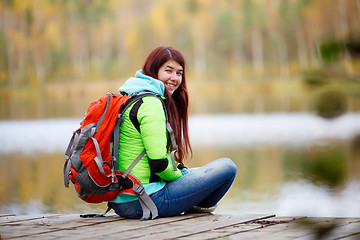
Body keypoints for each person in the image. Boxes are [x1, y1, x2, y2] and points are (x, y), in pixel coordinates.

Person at [109, 46, 237, 219]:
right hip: (145, 200)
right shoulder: (151, 103)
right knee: (227, 167)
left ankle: (192, 203)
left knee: (201, 172)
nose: (174, 78)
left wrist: (182, 172)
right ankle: (196, 208)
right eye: (168, 71)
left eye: (179, 73)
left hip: (124, 199)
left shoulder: (131, 96)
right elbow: (159, 164)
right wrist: (178, 175)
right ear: (154, 70)